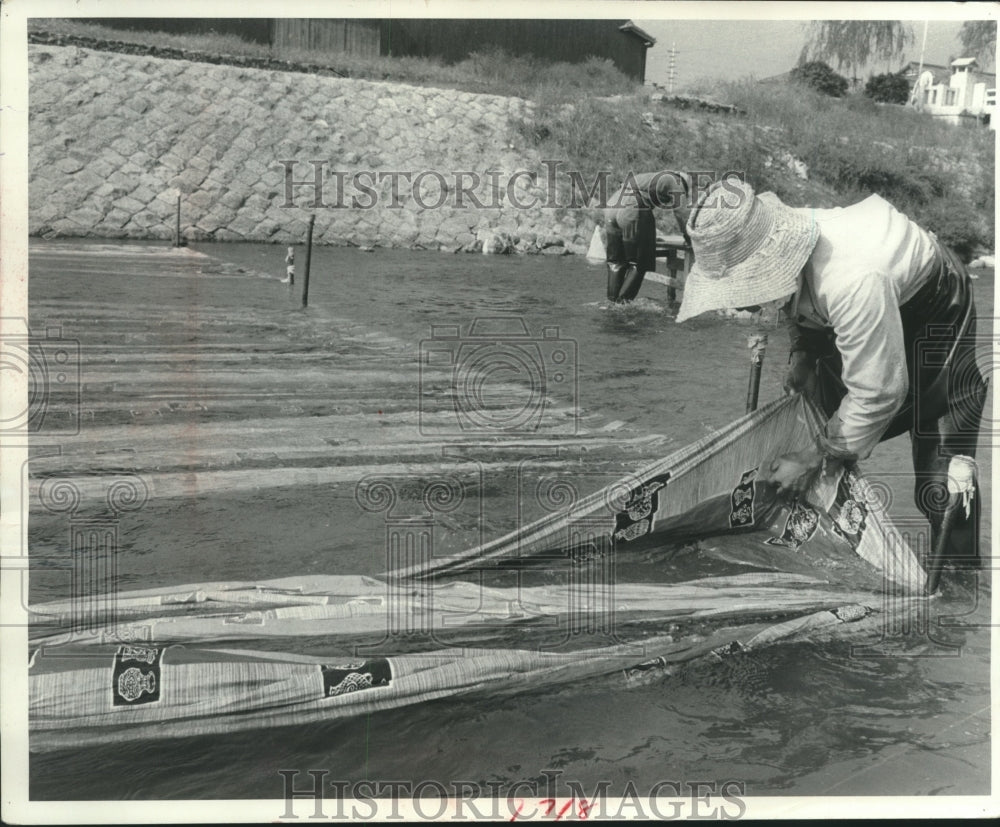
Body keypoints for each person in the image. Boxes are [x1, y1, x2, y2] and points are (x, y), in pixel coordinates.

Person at [676, 178, 987, 564]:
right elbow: (793, 297)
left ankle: (960, 575)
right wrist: (803, 353)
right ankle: (814, 541)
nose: (740, 307)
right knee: (814, 417)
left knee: (940, 480)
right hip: (864, 296)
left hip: (937, 307)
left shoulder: (853, 280)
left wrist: (813, 457)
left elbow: (878, 392)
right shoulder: (777, 236)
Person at [605, 170, 693, 303]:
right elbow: (681, 213)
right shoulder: (676, 182)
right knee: (639, 263)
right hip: (631, 206)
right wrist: (689, 237)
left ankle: (611, 303)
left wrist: (642, 235)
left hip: (612, 205)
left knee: (616, 261)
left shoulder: (650, 178)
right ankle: (623, 304)